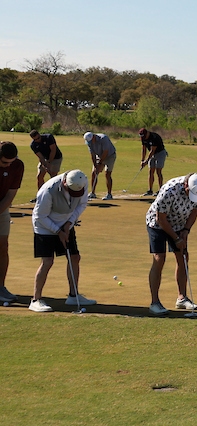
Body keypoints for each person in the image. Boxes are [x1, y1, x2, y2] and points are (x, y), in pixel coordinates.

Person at [29, 169, 93, 312]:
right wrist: (58, 231)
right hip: (45, 226)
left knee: (74, 257)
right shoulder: (48, 190)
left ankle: (73, 295)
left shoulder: (82, 182)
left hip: (66, 223)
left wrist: (68, 224)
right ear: (64, 183)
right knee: (47, 261)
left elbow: (82, 204)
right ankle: (36, 299)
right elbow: (41, 217)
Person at [145, 173, 197, 315]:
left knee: (183, 257)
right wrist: (176, 238)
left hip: (179, 224)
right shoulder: (169, 190)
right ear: (186, 186)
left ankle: (182, 298)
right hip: (157, 224)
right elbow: (160, 218)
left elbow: (195, 211)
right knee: (159, 258)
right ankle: (154, 302)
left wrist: (186, 230)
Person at [0, 142, 24, 303]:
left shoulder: (17, 166)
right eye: (4, 163)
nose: (8, 165)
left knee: (3, 246)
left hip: (2, 207)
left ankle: (0, 287)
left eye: (11, 162)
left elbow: (10, 195)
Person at [83, 130, 117, 200]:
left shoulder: (103, 138)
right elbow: (92, 155)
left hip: (110, 156)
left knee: (107, 174)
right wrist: (96, 165)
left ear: (93, 137)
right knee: (94, 173)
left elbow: (106, 152)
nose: (89, 143)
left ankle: (109, 194)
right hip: (99, 155)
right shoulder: (89, 142)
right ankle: (92, 193)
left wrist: (100, 163)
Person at [138, 127, 168, 196]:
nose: (143, 138)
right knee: (151, 171)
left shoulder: (154, 137)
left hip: (160, 153)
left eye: (144, 136)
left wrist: (146, 161)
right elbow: (144, 149)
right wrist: (142, 160)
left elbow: (152, 151)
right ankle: (150, 190)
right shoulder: (143, 138)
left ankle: (160, 190)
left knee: (158, 171)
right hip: (152, 154)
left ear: (147, 133)